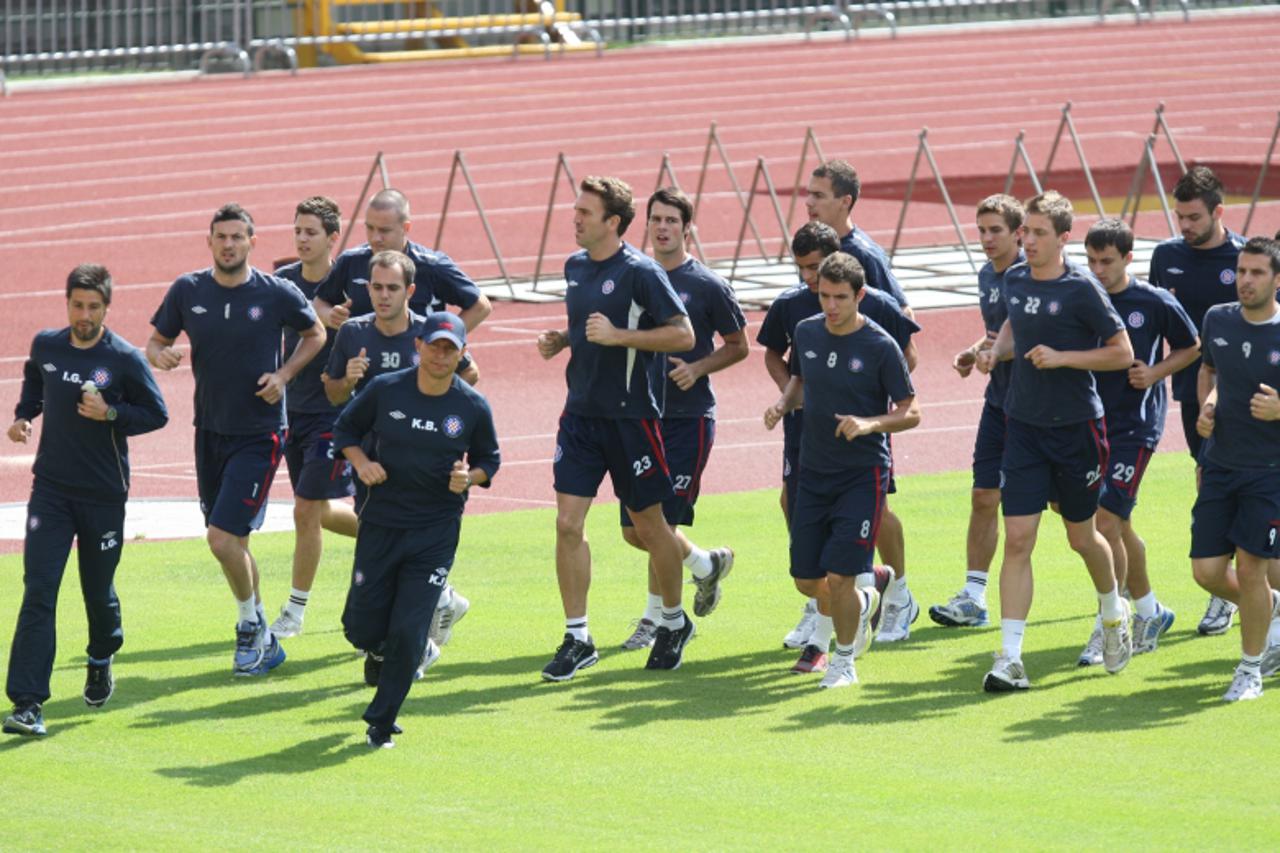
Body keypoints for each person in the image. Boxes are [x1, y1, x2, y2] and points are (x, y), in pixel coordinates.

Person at [146, 203, 325, 677]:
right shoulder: (188, 290)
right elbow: (155, 341)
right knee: (235, 541)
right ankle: (263, 639)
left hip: (260, 433)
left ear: (252, 242)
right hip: (208, 431)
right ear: (210, 241)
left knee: (221, 539)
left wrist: (285, 375)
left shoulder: (276, 292)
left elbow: (316, 334)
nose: (229, 245)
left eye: (237, 237)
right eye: (221, 237)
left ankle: (249, 627)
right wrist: (159, 356)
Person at [536, 176, 695, 680]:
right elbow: (589, 324)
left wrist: (620, 336)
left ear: (613, 223)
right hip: (580, 415)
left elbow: (683, 333)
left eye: (586, 212)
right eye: (576, 209)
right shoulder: (575, 266)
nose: (575, 218)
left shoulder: (641, 272)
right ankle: (578, 636)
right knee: (566, 524)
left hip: (631, 420)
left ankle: (672, 621)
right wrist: (564, 339)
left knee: (650, 528)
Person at [975, 191, 1134, 692]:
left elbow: (1121, 353)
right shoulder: (1016, 278)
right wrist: (994, 351)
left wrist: (1064, 357)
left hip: (1076, 431)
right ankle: (1011, 659)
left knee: (1081, 537)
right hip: (1022, 427)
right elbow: (1012, 324)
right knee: (1018, 539)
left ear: (1064, 237)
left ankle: (1114, 613)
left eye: (1040, 233)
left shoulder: (1082, 289)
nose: (1029, 241)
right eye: (1027, 231)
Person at [2, 265, 168, 737]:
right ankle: (29, 703)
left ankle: (100, 656)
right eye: (77, 305)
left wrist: (110, 412)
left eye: (94, 307)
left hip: (103, 495)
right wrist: (23, 415)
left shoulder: (124, 358)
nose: (84, 315)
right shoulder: (47, 345)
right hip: (50, 490)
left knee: (97, 591)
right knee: (38, 590)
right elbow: (35, 377)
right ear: (67, 304)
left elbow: (156, 413)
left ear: (107, 308)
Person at [333, 312, 499, 746]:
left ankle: (382, 721)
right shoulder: (385, 390)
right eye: (435, 345)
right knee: (362, 628)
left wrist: (471, 478)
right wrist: (362, 463)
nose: (441, 355)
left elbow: (489, 459)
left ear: (462, 354)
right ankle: (389, 647)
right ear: (419, 346)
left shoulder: (471, 406)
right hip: (381, 523)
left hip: (435, 531)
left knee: (408, 628)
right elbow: (346, 428)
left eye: (451, 349)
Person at [759, 222, 918, 670]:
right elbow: (796, 375)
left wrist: (870, 420)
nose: (827, 302)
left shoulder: (880, 334)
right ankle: (870, 593)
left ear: (857, 295)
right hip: (812, 459)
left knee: (841, 571)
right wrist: (783, 402)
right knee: (808, 578)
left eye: (838, 296)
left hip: (862, 462)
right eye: (822, 293)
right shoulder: (806, 329)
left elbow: (911, 400)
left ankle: (839, 656)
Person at [326, 249, 471, 670]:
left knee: (414, 555)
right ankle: (434, 611)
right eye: (376, 288)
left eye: (392, 288)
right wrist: (347, 378)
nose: (383, 296)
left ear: (409, 291)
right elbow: (333, 394)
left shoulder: (431, 334)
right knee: (380, 561)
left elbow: (469, 377)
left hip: (425, 470)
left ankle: (416, 639)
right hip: (374, 468)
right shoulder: (353, 333)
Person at [619, 187, 748, 651]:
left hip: (687, 420)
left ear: (687, 227)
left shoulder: (707, 285)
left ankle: (656, 619)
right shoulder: (634, 276)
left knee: (658, 524)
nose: (662, 227)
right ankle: (704, 564)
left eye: (671, 220)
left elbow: (739, 346)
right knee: (636, 531)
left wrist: (698, 367)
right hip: (637, 419)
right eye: (655, 219)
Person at [1078, 218, 1199, 665]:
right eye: (1091, 261)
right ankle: (1150, 610)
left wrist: (1156, 373)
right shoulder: (1083, 297)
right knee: (1117, 524)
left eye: (1106, 261)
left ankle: (1111, 623)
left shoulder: (1153, 301)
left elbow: (1192, 346)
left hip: (1136, 427)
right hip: (1091, 425)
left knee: (1106, 523)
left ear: (1128, 258)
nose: (1098, 270)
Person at [1148, 166, 1247, 636]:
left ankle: (1239, 590)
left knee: (1249, 488)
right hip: (1193, 392)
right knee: (1209, 481)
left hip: (1251, 398)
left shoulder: (1248, 258)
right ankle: (1225, 591)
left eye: (1192, 217)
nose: (1184, 226)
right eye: (1179, 216)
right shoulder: (1166, 256)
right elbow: (1152, 323)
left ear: (1218, 212)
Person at [1190, 236, 1280, 701]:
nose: (1245, 280)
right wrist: (1208, 404)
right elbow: (1213, 373)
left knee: (1251, 568)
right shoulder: (1218, 319)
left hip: (1270, 470)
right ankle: (1269, 606)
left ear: (1277, 280)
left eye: (1257, 273)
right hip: (1221, 464)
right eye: (1241, 272)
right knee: (1205, 571)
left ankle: (1250, 671)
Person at [931, 194, 1025, 630]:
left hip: (1036, 409)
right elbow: (996, 333)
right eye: (981, 230)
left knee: (1075, 517)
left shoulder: (1034, 277)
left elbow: (1035, 336)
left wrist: (999, 354)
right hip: (998, 402)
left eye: (995, 231)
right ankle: (973, 595)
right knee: (983, 495)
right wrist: (974, 351)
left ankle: (1115, 596)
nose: (986, 239)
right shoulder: (988, 274)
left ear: (1018, 233)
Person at [271, 196, 359, 638]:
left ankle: (294, 611)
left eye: (311, 232)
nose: (302, 239)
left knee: (304, 511)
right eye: (298, 231)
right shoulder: (282, 283)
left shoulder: (351, 290)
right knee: (319, 511)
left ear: (332, 238)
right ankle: (393, 536)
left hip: (334, 413)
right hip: (292, 413)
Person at [313, 187, 491, 375]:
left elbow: (480, 306)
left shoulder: (431, 266)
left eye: (384, 230)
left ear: (406, 228)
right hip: (365, 372)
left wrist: (441, 342)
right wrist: (329, 315)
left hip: (418, 372)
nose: (375, 238)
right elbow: (319, 303)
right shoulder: (351, 261)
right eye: (369, 228)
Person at [805, 159, 910, 309]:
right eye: (808, 193)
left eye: (818, 195)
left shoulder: (864, 253)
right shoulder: (810, 245)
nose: (808, 202)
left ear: (845, 202)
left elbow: (903, 311)